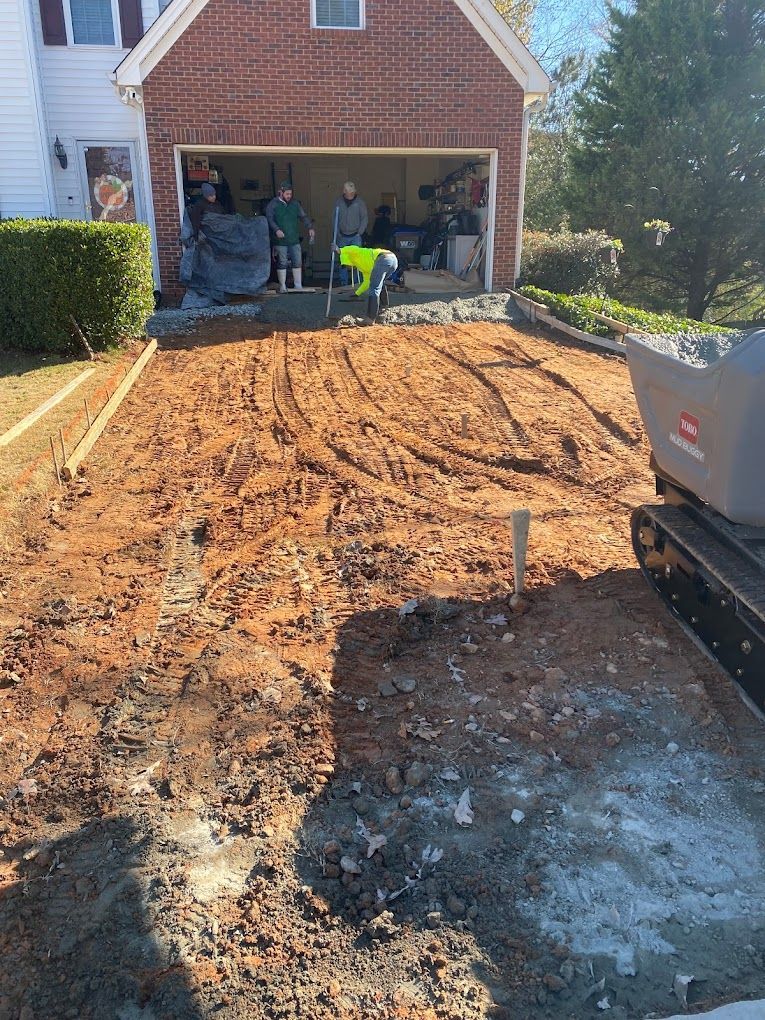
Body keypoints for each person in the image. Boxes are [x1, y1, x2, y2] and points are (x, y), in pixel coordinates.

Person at [266, 181, 314, 291]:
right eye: (287, 194)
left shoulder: (295, 204)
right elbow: (269, 219)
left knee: (297, 261)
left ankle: (298, 285)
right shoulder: (273, 204)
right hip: (280, 240)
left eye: (290, 194)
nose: (289, 196)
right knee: (282, 262)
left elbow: (303, 216)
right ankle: (283, 286)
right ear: (281, 193)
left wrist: (310, 227)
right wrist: (276, 229)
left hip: (294, 238)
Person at [335, 244, 398, 324]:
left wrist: (339, 250)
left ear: (348, 260)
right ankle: (384, 307)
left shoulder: (358, 253)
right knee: (379, 283)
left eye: (346, 265)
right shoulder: (362, 267)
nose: (347, 268)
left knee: (374, 288)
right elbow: (367, 282)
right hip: (392, 260)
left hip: (383, 259)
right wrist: (356, 293)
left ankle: (370, 318)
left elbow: (352, 248)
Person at [333, 182, 368, 288]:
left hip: (355, 236)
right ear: (344, 191)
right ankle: (344, 283)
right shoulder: (338, 202)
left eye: (352, 192)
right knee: (343, 261)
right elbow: (334, 218)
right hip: (342, 235)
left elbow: (364, 218)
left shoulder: (360, 202)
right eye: (349, 192)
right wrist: (337, 232)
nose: (351, 194)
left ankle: (357, 283)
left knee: (357, 261)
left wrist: (360, 232)